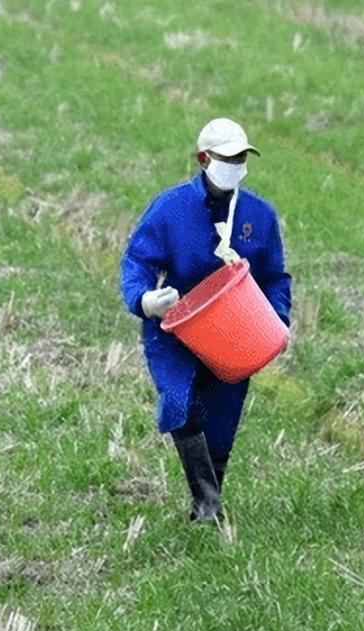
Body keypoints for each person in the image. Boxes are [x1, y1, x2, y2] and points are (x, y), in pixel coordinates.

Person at [120, 118, 292, 523]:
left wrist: (279, 320)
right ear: (204, 159)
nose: (236, 165)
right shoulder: (170, 209)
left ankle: (208, 505)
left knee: (221, 420)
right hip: (176, 332)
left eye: (242, 158)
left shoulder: (258, 216)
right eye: (227, 157)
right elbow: (137, 261)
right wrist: (145, 300)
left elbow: (273, 277)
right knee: (180, 402)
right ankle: (207, 504)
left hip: (233, 330)